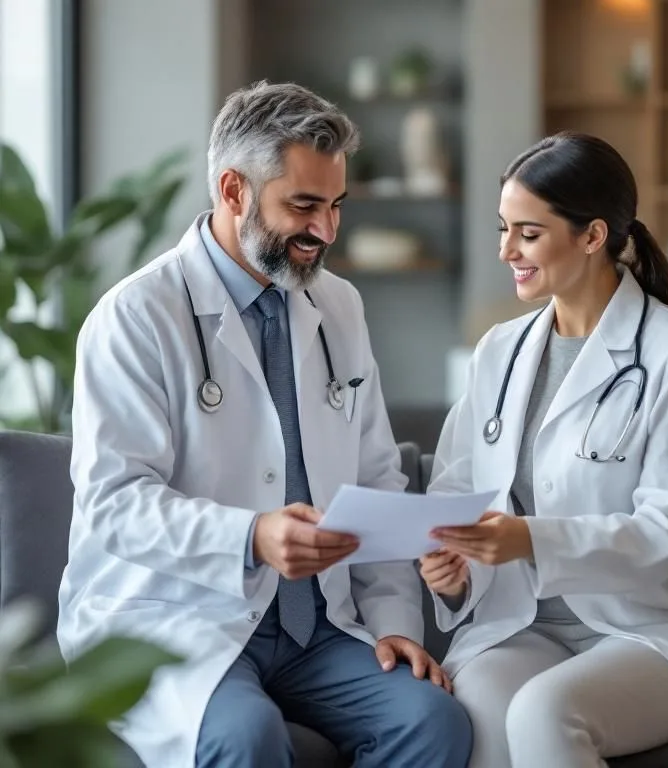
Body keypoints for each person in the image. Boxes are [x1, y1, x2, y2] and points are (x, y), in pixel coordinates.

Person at [57, 80, 472, 768]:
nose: (327, 231)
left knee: (432, 721)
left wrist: (396, 624)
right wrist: (250, 535)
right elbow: (114, 504)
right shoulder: (135, 317)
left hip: (319, 627)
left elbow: (377, 482)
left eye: (336, 206)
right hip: (181, 616)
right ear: (232, 191)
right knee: (243, 736)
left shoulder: (338, 306)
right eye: (304, 205)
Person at [419, 132, 668, 768]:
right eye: (504, 229)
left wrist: (529, 538)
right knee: (480, 713)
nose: (506, 250)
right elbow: (454, 489)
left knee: (545, 712)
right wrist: (450, 566)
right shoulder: (499, 351)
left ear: (592, 235)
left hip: (657, 626)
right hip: (525, 625)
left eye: (527, 232)